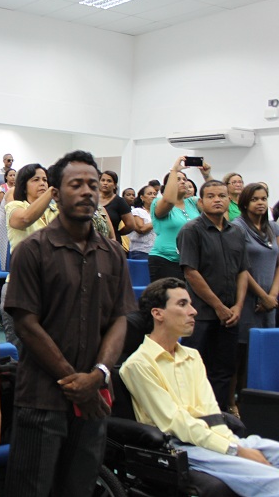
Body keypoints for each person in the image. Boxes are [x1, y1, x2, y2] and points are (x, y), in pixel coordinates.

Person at [4, 150, 135, 497]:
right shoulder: (33, 250)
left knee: (79, 488)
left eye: (93, 184)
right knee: (31, 490)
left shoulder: (113, 254)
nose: (87, 191)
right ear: (56, 194)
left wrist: (98, 376)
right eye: (76, 184)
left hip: (94, 400)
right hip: (42, 399)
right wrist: (75, 382)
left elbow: (119, 318)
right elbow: (26, 324)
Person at [120, 277, 279, 497]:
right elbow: (176, 423)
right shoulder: (138, 365)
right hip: (179, 447)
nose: (193, 311)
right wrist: (235, 450)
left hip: (213, 438)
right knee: (273, 481)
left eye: (191, 304)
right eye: (182, 304)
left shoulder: (192, 356)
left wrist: (232, 443)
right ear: (158, 313)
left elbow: (211, 412)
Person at [177, 179, 249, 413]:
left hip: (231, 315)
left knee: (224, 369)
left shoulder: (237, 232)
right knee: (196, 368)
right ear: (201, 202)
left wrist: (238, 306)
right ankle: (193, 417)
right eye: (211, 196)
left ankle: (219, 417)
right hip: (201, 314)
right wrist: (218, 306)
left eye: (222, 196)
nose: (217, 200)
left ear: (229, 200)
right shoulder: (191, 230)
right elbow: (191, 272)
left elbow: (243, 271)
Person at [230, 183, 279, 410]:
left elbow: (278, 263)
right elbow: (241, 267)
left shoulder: (272, 228)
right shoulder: (237, 227)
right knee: (240, 354)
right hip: (247, 298)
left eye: (263, 199)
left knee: (261, 353)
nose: (260, 203)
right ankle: (232, 403)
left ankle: (255, 405)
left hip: (270, 301)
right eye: (255, 199)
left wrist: (272, 296)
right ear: (245, 203)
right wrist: (262, 296)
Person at [0, 163, 58, 348]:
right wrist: (52, 190)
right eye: (36, 179)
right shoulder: (16, 206)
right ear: (24, 185)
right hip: (20, 289)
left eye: (45, 180)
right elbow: (24, 219)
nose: (42, 183)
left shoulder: (54, 211)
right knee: (21, 352)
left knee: (49, 350)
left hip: (49, 290)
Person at [148, 156, 211, 282]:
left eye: (184, 179)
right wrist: (174, 170)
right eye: (178, 179)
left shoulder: (192, 202)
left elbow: (214, 201)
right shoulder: (158, 202)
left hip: (191, 261)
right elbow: (169, 200)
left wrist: (207, 175)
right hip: (165, 260)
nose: (183, 182)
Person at [99, 170, 134, 244]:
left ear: (114, 185)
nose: (105, 183)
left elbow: (130, 225)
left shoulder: (119, 201)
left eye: (109, 181)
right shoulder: (93, 199)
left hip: (111, 243)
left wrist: (116, 233)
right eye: (103, 180)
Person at [129, 184, 157, 260]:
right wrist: (157, 220)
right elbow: (141, 229)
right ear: (142, 197)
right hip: (140, 251)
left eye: (155, 194)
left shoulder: (156, 213)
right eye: (149, 194)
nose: (153, 196)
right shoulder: (137, 211)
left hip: (156, 252)